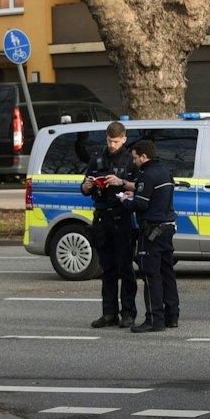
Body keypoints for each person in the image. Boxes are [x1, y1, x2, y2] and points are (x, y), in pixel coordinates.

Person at [83, 121, 140, 329]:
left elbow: (141, 187)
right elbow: (84, 188)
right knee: (107, 269)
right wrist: (88, 185)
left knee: (125, 268)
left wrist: (121, 182)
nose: (112, 145)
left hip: (122, 217)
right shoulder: (97, 157)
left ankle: (128, 313)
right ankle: (109, 313)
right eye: (109, 141)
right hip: (102, 217)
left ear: (124, 139)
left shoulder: (130, 159)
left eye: (116, 141)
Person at [124, 137, 179, 333]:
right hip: (167, 228)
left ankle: (154, 319)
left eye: (135, 158)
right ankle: (172, 316)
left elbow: (141, 204)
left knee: (151, 276)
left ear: (144, 156)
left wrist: (125, 201)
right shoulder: (164, 171)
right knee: (167, 274)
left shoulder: (146, 175)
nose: (133, 162)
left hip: (151, 231)